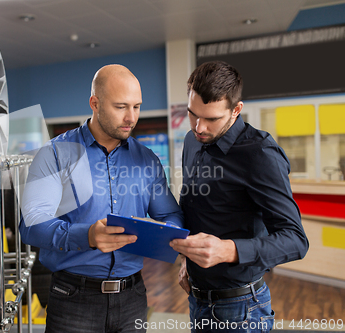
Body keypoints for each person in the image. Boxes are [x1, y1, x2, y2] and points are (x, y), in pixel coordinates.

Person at [20, 64, 184, 332]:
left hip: (134, 298)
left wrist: (166, 233)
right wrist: (87, 236)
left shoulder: (147, 159)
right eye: (121, 107)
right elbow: (30, 226)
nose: (131, 117)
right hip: (73, 300)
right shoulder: (55, 154)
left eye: (137, 106)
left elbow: (169, 214)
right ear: (94, 103)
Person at [169, 61, 309, 332]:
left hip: (242, 308)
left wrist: (228, 249)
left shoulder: (260, 154)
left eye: (211, 119)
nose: (199, 128)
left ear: (236, 110)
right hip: (197, 300)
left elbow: (296, 241)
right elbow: (198, 209)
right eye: (192, 114)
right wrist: (189, 259)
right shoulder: (191, 141)